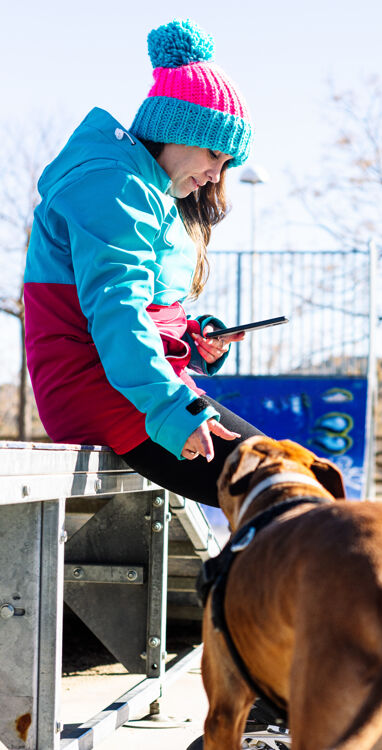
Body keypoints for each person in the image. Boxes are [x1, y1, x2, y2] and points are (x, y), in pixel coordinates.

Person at [24, 18, 264, 508]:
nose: (215, 175)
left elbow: (141, 305)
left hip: (131, 385)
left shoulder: (141, 189)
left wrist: (193, 339)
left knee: (285, 481)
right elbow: (117, 312)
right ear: (176, 129)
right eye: (214, 155)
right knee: (279, 487)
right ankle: (236, 583)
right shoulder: (114, 186)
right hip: (105, 390)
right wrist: (172, 408)